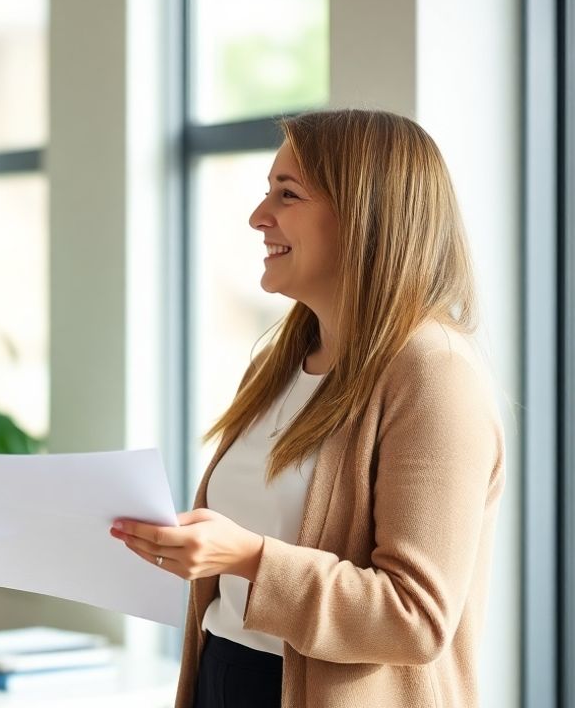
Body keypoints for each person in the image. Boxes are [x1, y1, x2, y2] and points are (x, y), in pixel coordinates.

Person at [111, 109, 504, 707]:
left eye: (286, 194)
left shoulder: (434, 374)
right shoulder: (280, 362)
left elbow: (415, 617)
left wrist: (247, 556)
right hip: (225, 675)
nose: (257, 217)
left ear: (366, 215)